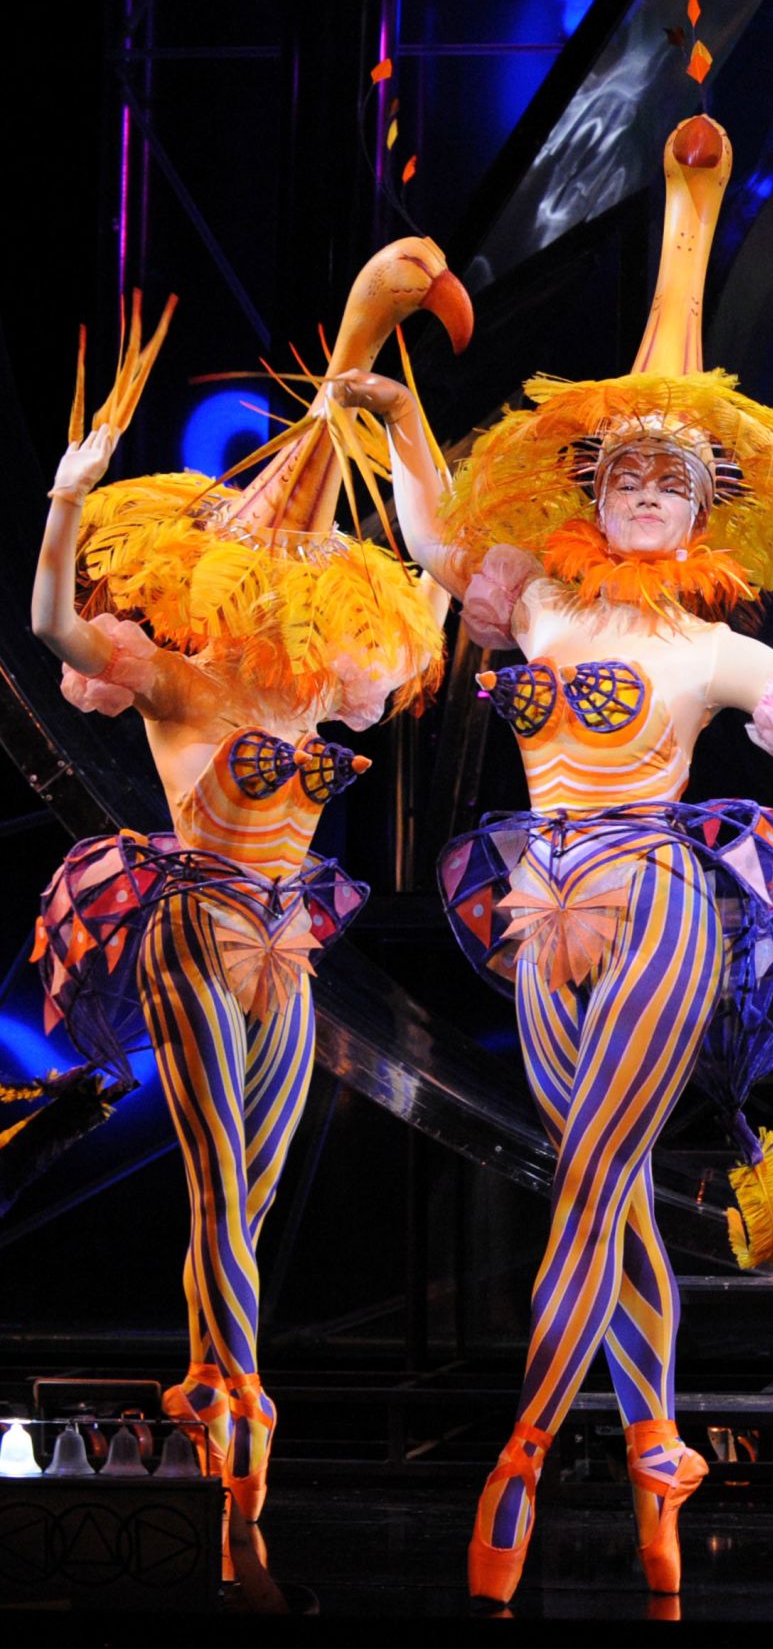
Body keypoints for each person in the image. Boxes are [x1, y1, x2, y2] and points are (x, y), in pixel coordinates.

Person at [352, 109, 773, 1605]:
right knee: (624, 1186)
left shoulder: (713, 648)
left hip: (655, 903)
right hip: (535, 907)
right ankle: (656, 1449)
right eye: (626, 466)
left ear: (707, 500)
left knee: (587, 1175)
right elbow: (438, 543)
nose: (647, 483)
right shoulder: (532, 608)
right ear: (592, 487)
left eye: (674, 470)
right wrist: (394, 419)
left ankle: (521, 1443)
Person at [27, 241, 467, 1525]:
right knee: (224, 1165)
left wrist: (411, 434)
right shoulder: (175, 677)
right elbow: (56, 626)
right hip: (190, 920)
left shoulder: (321, 685)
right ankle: (248, 1400)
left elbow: (437, 603)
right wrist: (64, 505)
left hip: (289, 938)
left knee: (249, 1190)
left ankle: (207, 1376)